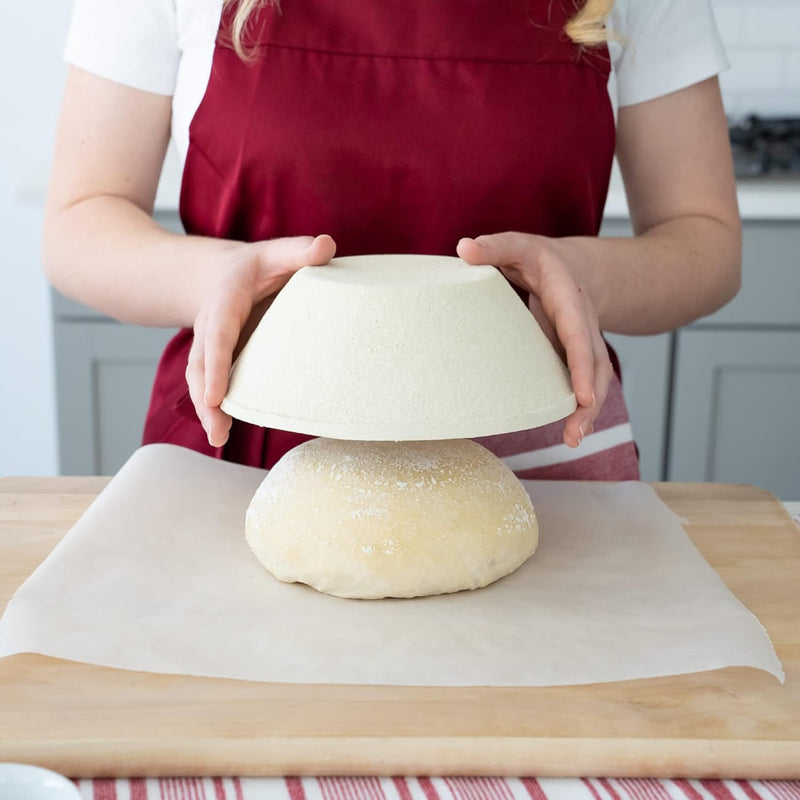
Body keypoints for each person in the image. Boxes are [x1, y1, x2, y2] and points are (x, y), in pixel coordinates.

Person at [43, 0, 741, 480]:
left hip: (540, 457)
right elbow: (79, 224)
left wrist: (578, 272)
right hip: (252, 446)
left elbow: (706, 244)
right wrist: (222, 276)